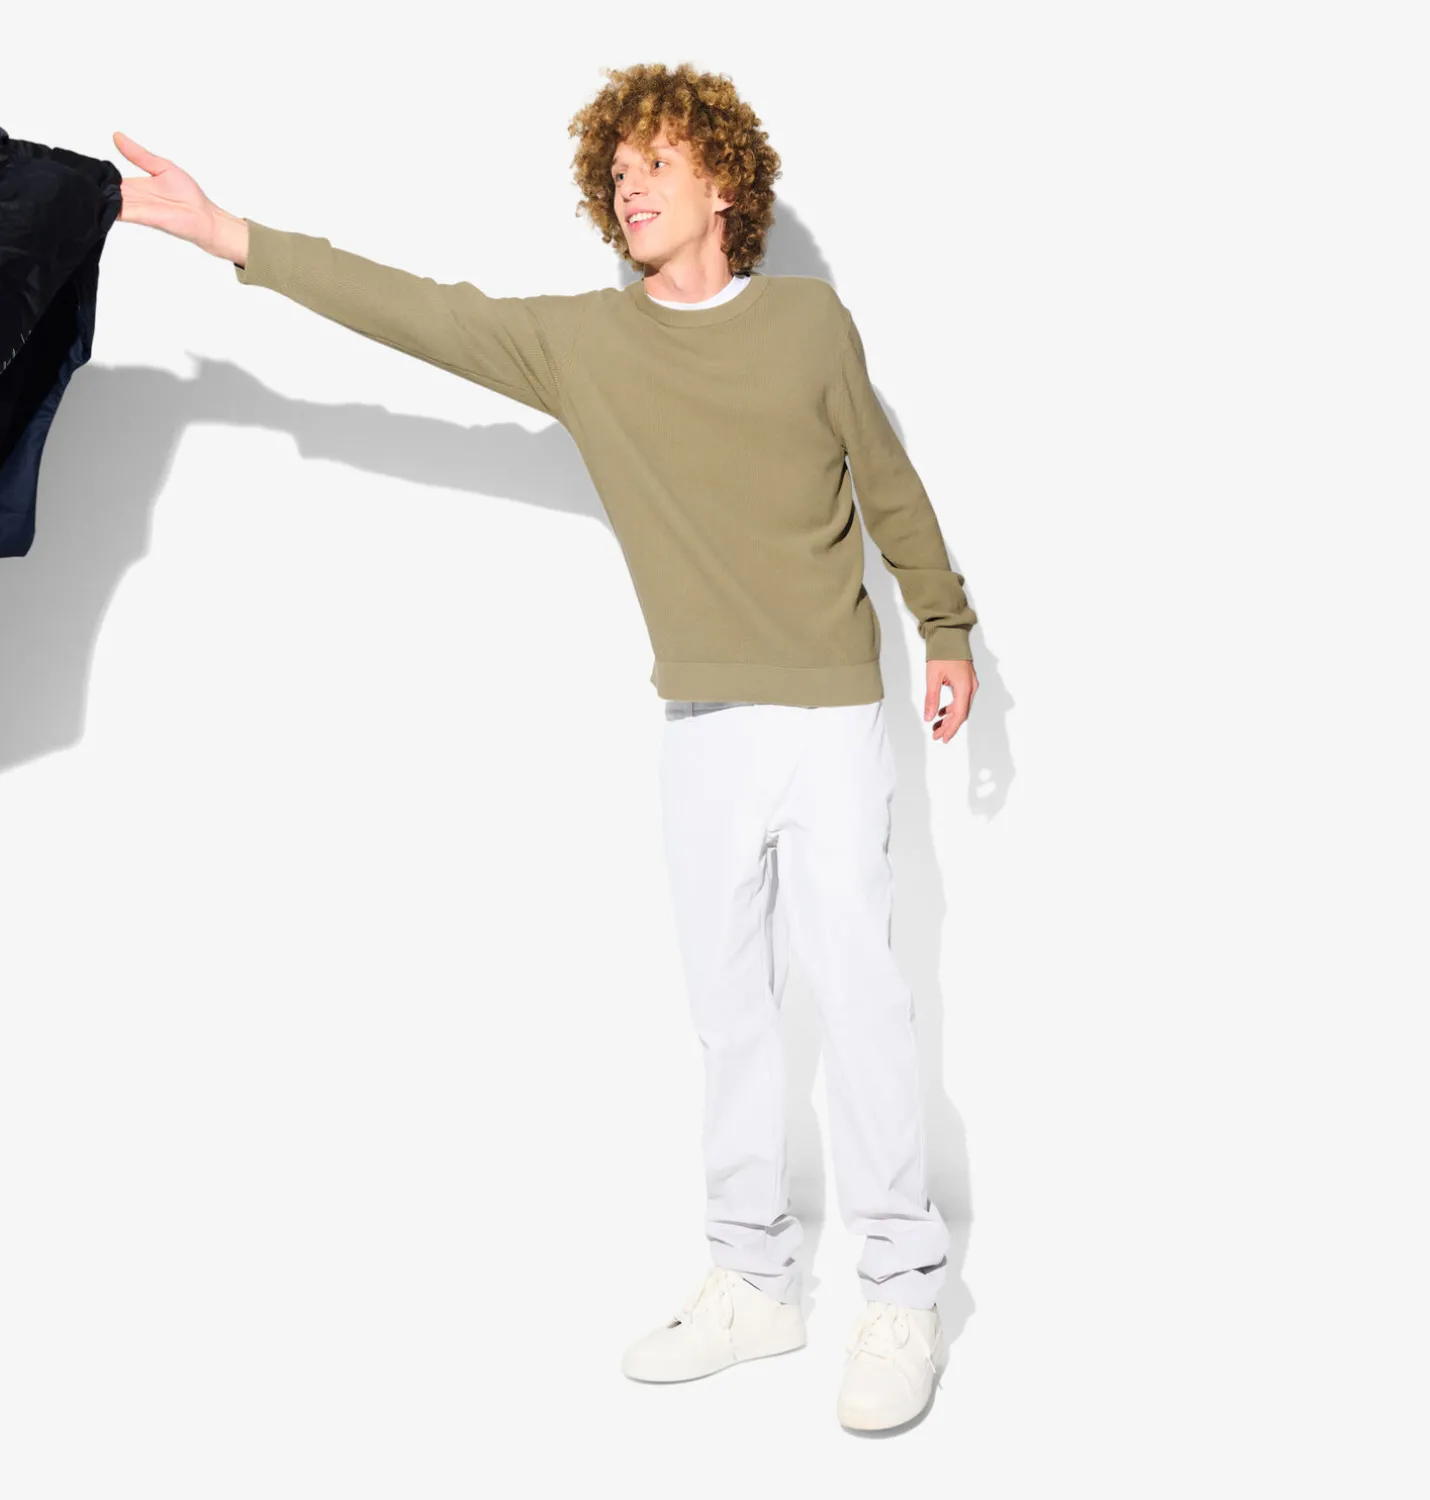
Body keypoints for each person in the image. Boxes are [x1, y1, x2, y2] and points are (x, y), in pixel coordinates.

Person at [112, 60, 978, 1433]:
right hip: (699, 722)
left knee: (863, 998)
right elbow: (423, 313)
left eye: (656, 163)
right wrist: (231, 236)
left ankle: (901, 1292)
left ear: (723, 183)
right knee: (730, 1016)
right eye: (615, 173)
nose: (630, 188)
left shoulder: (808, 324)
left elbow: (889, 482)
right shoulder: (588, 345)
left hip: (828, 715)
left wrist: (945, 625)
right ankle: (754, 1280)